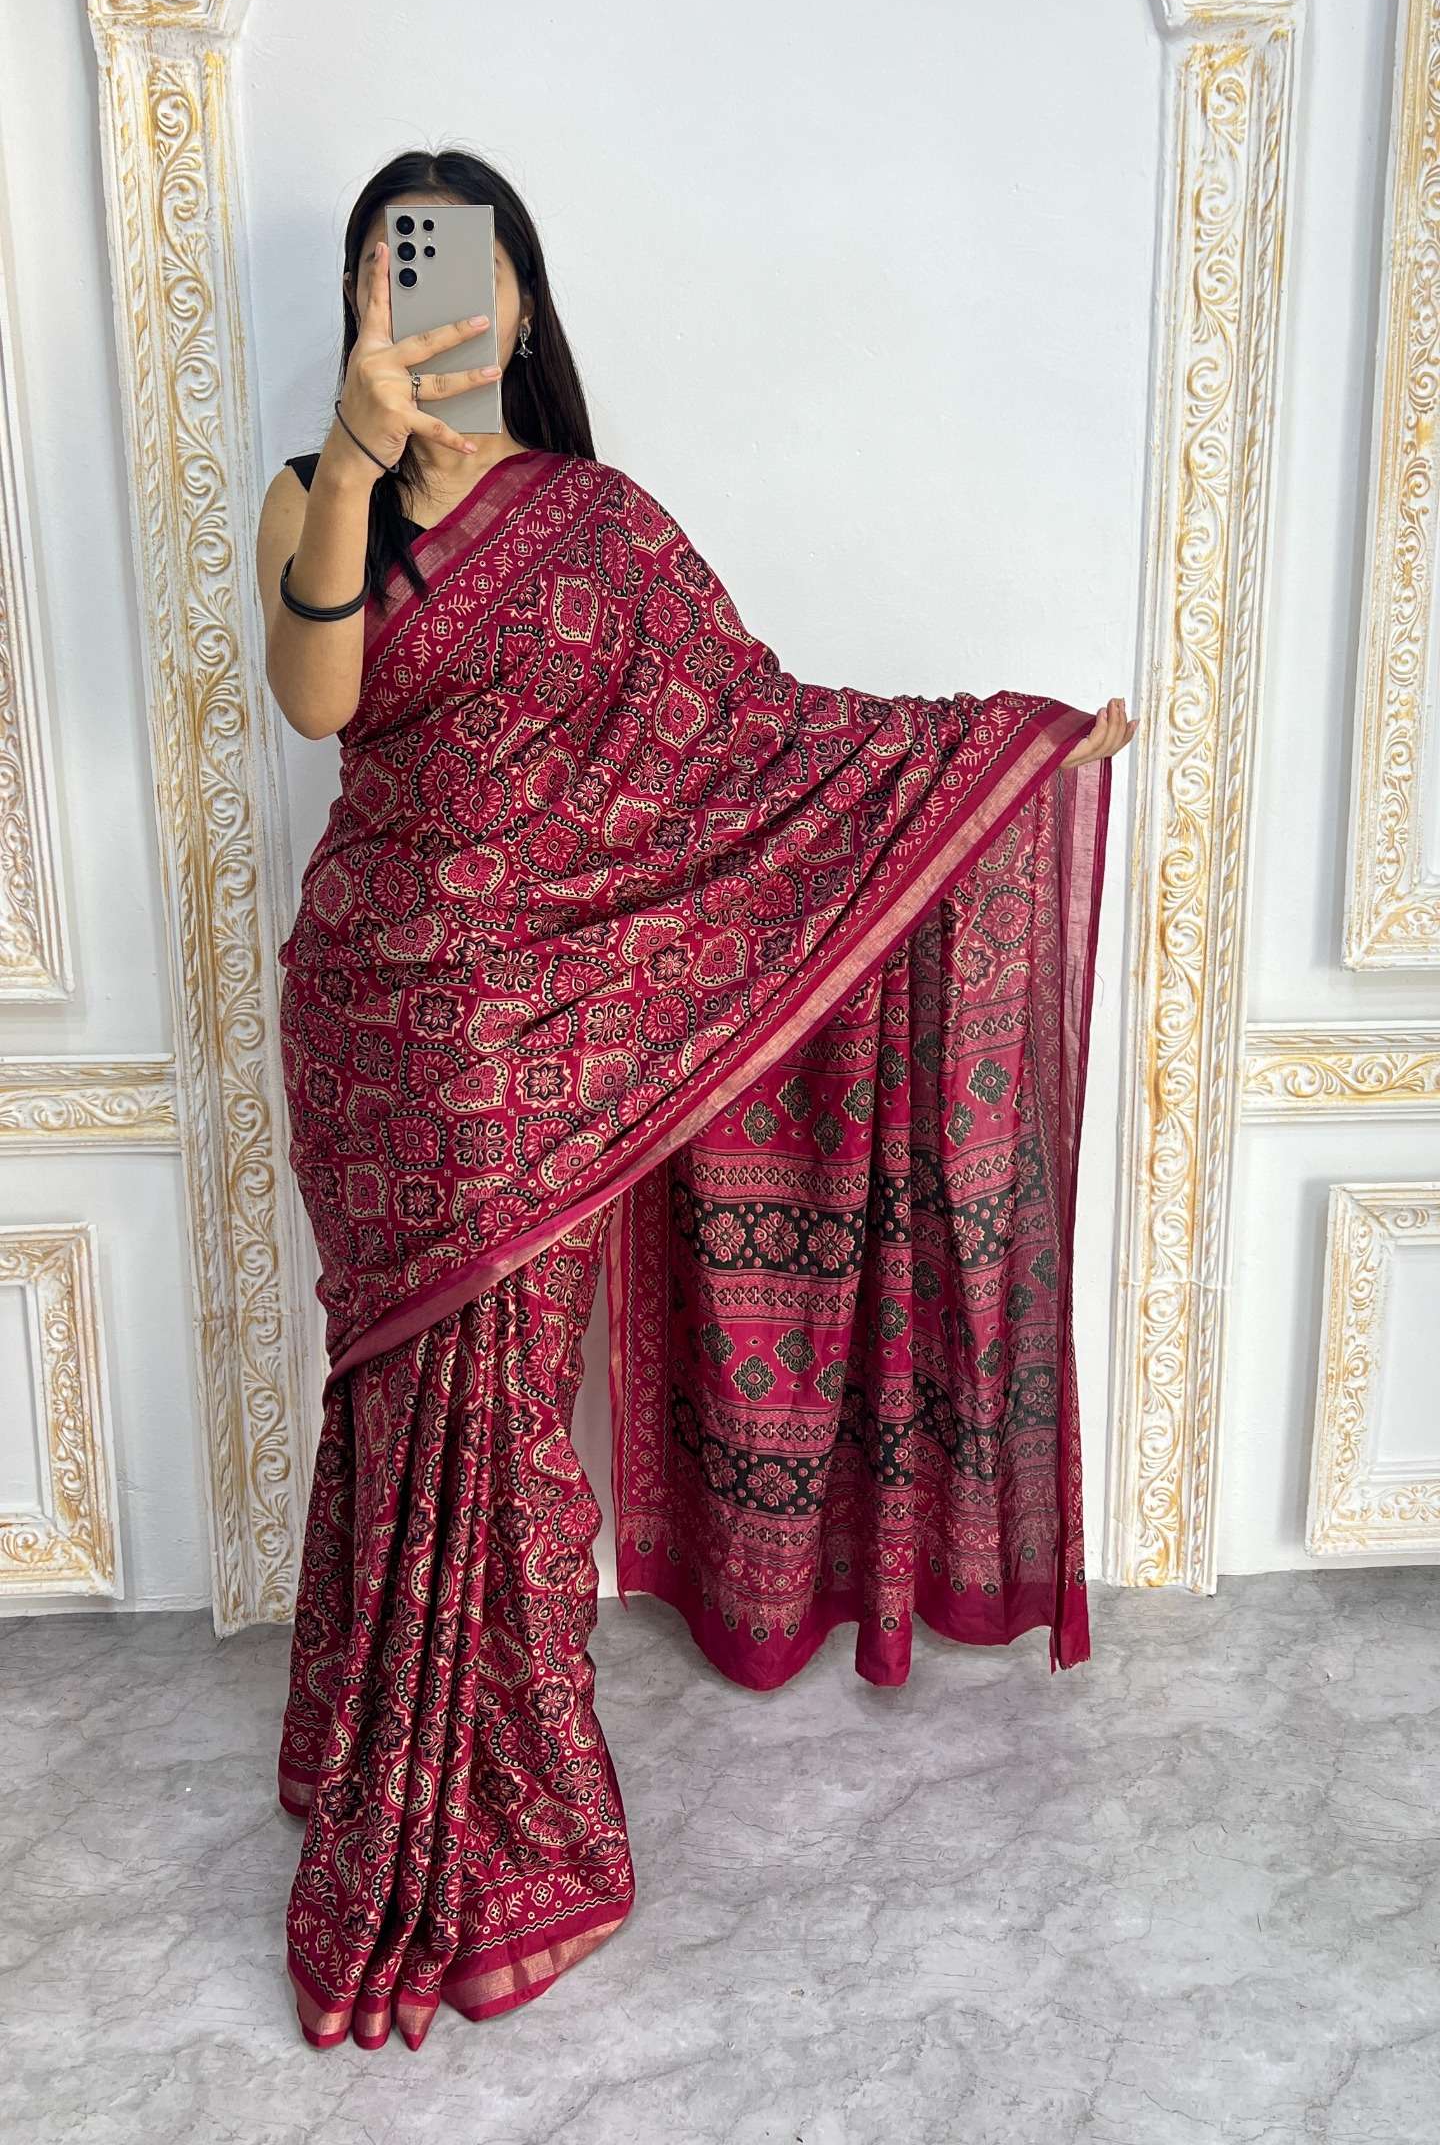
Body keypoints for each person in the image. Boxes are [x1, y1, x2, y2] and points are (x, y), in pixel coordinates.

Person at [255, 147, 1136, 2052]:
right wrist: (356, 454)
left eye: (461, 264)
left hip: (543, 1039)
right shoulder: (315, 503)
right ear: (356, 305)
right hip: (373, 1020)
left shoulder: (604, 524)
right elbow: (316, 700)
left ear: (521, 297)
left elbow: (761, 737)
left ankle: (492, 1809)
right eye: (393, 268)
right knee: (403, 1399)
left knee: (501, 1418)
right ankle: (397, 1761)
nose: (430, 294)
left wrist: (995, 754)